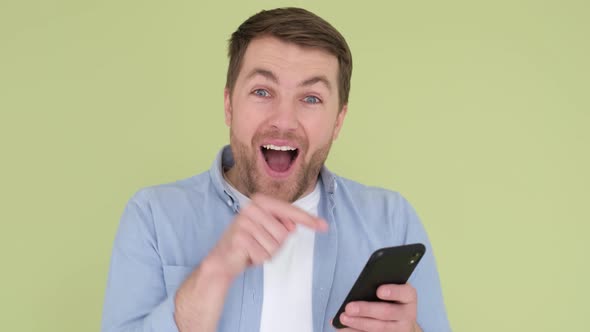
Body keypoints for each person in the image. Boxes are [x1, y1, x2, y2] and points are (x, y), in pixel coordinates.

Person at [102, 7, 450, 332]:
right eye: (262, 91)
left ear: (338, 121)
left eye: (311, 98)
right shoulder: (153, 216)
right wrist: (210, 276)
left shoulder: (392, 221)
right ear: (228, 106)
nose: (284, 121)